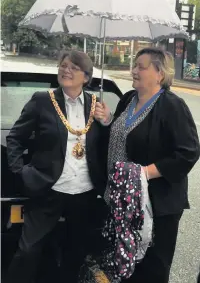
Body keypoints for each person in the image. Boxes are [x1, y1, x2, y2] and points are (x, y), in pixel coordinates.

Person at [94, 47, 200, 283]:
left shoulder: (172, 106)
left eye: (141, 67)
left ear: (159, 74)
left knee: (151, 269)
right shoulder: (128, 100)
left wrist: (144, 173)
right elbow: (121, 137)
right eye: (134, 65)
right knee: (125, 265)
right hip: (122, 203)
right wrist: (108, 121)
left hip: (157, 205)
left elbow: (188, 152)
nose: (134, 70)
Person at [5, 50, 110, 283]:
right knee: (28, 251)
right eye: (63, 65)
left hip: (84, 192)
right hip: (48, 189)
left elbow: (108, 146)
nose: (66, 70)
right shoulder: (42, 100)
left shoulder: (96, 104)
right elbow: (14, 138)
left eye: (73, 67)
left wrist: (107, 121)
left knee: (76, 253)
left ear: (86, 76)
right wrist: (20, 172)